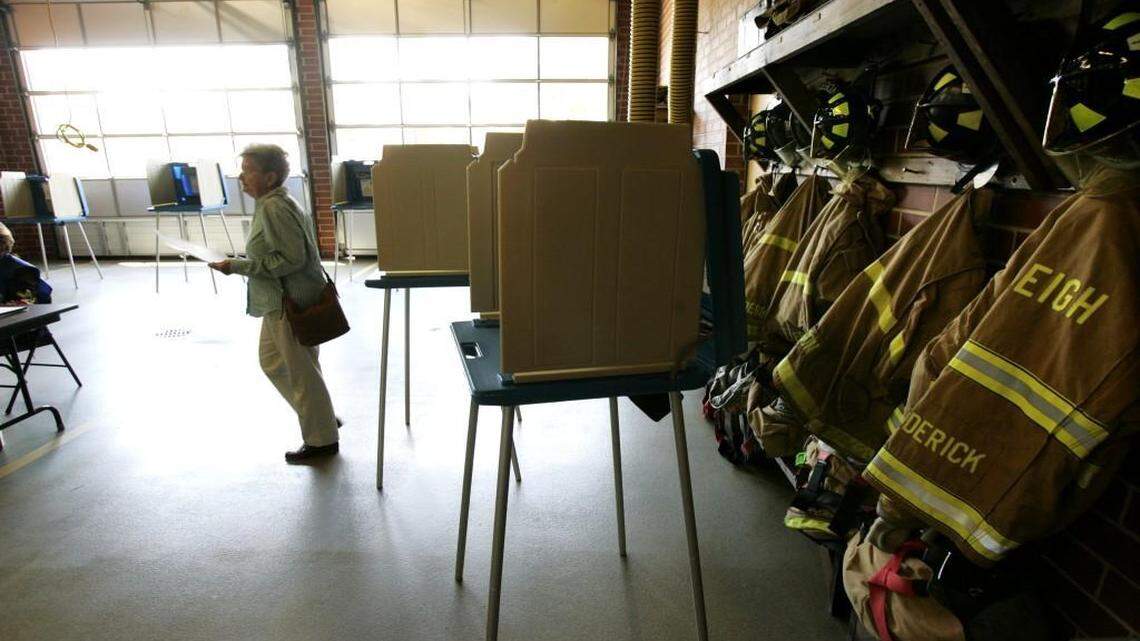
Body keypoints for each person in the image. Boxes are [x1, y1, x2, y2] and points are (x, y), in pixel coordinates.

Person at [209, 144, 340, 463]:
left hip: (289, 301)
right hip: (278, 301)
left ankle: (322, 440)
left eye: (248, 170)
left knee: (301, 371)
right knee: (273, 362)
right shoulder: (272, 202)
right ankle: (320, 415)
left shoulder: (274, 208)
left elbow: (292, 259)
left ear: (269, 177)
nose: (241, 177)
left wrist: (236, 266)